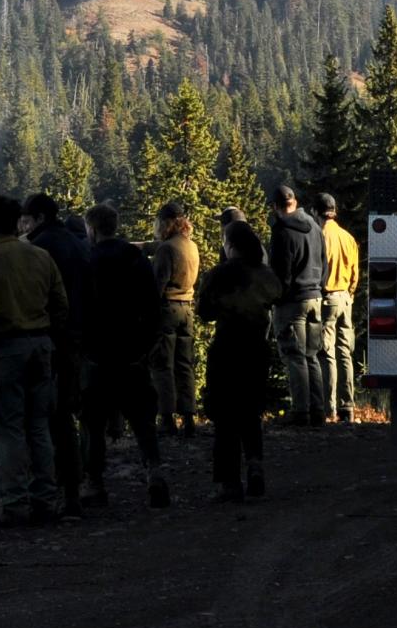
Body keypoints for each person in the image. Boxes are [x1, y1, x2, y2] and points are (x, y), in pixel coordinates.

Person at [0, 194, 70, 525]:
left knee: (8, 430)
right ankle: (45, 500)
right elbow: (61, 306)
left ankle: (14, 503)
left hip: (3, 351)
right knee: (39, 426)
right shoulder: (41, 257)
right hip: (40, 347)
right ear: (18, 221)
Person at [78, 204, 169, 509]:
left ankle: (94, 483)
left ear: (91, 229)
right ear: (115, 226)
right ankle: (154, 471)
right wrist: (146, 346)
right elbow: (153, 305)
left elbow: (80, 311)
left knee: (93, 422)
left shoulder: (87, 260)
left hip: (98, 355)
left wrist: (82, 347)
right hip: (132, 353)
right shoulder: (135, 257)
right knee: (142, 419)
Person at [199, 218, 281, 500]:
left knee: (225, 417)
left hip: (226, 348)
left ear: (230, 245)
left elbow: (204, 312)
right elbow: (278, 294)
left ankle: (229, 482)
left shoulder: (218, 275)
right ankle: (255, 464)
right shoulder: (266, 275)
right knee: (250, 411)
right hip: (256, 347)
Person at [20, 192, 91, 518]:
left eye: (26, 219)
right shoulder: (78, 243)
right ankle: (75, 489)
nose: (22, 224)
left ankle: (48, 490)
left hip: (46, 339)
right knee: (66, 415)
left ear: (39, 218)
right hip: (77, 338)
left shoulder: (37, 248)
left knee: (44, 418)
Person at [267, 183, 326, 426]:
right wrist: (319, 286)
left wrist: (277, 298)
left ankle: (300, 411)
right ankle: (318, 409)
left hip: (293, 301)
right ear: (295, 201)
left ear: (275, 207)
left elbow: (281, 273)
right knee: (312, 355)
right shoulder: (314, 226)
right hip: (315, 296)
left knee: (294, 356)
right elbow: (324, 260)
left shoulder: (282, 232)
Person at [148, 201, 202, 436]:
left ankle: (167, 417)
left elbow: (158, 282)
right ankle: (189, 415)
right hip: (187, 309)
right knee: (184, 364)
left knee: (163, 364)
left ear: (166, 222)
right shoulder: (192, 246)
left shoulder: (166, 249)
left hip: (167, 309)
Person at [316, 191, 362, 425]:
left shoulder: (321, 236)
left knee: (327, 354)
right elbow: (356, 273)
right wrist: (350, 294)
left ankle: (329, 407)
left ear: (317, 212)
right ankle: (348, 407)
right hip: (346, 298)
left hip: (328, 298)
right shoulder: (347, 237)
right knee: (345, 353)